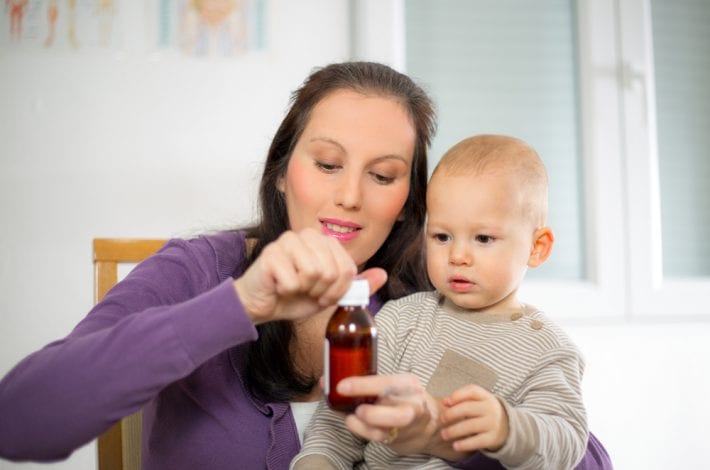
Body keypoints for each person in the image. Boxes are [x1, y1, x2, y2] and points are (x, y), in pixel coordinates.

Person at [0, 62, 611, 469]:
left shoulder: (446, 302)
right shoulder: (199, 271)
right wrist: (239, 305)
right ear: (281, 171)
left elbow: (587, 458)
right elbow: (21, 422)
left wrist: (448, 440)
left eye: (382, 175)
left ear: (409, 206)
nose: (350, 196)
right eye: (326, 164)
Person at [292, 134, 591, 469]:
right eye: (442, 236)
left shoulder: (547, 350)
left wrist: (507, 428)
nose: (458, 256)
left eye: (483, 238)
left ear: (538, 248)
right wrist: (316, 461)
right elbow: (338, 423)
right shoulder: (400, 319)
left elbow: (568, 443)